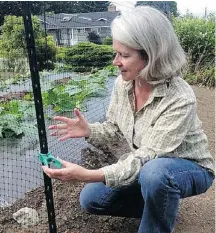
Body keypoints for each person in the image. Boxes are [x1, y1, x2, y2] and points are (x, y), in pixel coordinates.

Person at [42, 6, 215, 233]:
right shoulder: (123, 84)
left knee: (155, 174)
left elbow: (146, 158)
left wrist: (87, 175)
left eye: (124, 55)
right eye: (116, 53)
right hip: (148, 166)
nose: (116, 61)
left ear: (152, 55)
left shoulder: (179, 98)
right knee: (91, 199)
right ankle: (162, 205)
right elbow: (115, 128)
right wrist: (89, 130)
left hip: (187, 167)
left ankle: (157, 219)